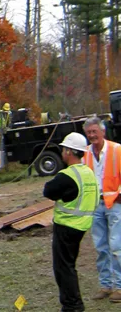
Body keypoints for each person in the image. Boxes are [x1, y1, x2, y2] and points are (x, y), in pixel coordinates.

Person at [43, 132, 99, 312]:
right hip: (82, 225)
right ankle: (74, 304)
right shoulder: (88, 172)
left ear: (69, 151)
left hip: (67, 226)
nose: (62, 153)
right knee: (69, 265)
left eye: (64, 149)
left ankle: (72, 306)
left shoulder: (68, 175)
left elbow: (49, 191)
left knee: (63, 268)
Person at [82, 115, 121, 301]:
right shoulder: (85, 154)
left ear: (102, 131)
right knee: (101, 247)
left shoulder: (117, 150)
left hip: (115, 203)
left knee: (117, 246)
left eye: (94, 131)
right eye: (89, 132)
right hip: (96, 205)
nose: (92, 135)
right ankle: (106, 285)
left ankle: (119, 287)